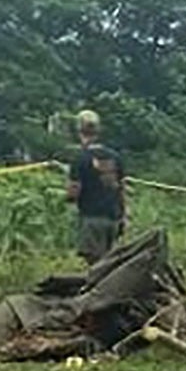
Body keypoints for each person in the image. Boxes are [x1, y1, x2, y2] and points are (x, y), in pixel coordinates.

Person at [65, 109, 126, 263]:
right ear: (98, 130)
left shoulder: (80, 158)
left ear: (79, 130)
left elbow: (74, 190)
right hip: (114, 217)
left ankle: (101, 287)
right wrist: (123, 216)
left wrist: (67, 198)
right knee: (108, 261)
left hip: (92, 217)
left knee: (95, 263)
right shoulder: (115, 156)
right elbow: (122, 188)